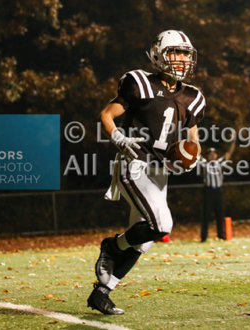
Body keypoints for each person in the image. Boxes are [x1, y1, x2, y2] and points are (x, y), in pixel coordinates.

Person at [87, 30, 205, 315]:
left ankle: (102, 292)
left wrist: (192, 156)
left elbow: (193, 138)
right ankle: (112, 247)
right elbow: (106, 114)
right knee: (162, 225)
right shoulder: (139, 83)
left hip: (159, 170)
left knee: (146, 243)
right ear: (158, 55)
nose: (181, 60)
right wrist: (118, 138)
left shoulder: (193, 96)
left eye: (186, 54)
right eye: (175, 53)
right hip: (134, 162)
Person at [198, 145, 234, 242]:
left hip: (218, 191)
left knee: (220, 213)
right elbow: (197, 154)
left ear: (216, 155)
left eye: (214, 154)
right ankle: (204, 237)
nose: (212, 156)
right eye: (210, 154)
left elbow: (228, 153)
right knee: (206, 214)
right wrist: (194, 140)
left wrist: (233, 142)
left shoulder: (220, 163)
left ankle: (221, 235)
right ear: (208, 156)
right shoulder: (205, 163)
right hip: (208, 191)